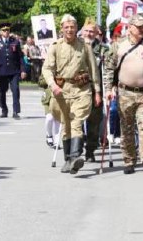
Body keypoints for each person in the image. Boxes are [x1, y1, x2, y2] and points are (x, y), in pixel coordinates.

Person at [104, 15, 143, 174]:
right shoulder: (118, 45)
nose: (142, 30)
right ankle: (129, 160)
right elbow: (109, 68)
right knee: (127, 128)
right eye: (138, 27)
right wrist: (108, 89)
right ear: (130, 27)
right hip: (125, 92)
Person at [42, 15, 101, 174]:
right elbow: (47, 69)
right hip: (62, 91)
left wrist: (97, 92)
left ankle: (75, 156)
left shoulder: (84, 46)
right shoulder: (56, 46)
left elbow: (94, 71)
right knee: (66, 126)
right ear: (62, 28)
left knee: (76, 121)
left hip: (81, 89)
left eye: (72, 27)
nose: (70, 30)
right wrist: (53, 85)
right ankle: (68, 159)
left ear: (77, 29)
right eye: (66, 27)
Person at [0, 24, 26, 119]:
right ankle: (4, 109)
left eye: (7, 30)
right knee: (2, 91)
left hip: (14, 70)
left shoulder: (15, 42)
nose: (6, 32)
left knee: (15, 90)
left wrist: (23, 70)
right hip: (1, 70)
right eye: (4, 30)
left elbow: (20, 57)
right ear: (0, 32)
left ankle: (16, 111)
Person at [81, 21, 105, 162]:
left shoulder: (103, 49)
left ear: (96, 33)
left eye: (92, 31)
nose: (89, 34)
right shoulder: (77, 46)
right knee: (76, 120)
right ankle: (75, 149)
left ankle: (90, 150)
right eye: (87, 31)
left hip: (96, 89)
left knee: (94, 122)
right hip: (79, 89)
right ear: (82, 32)